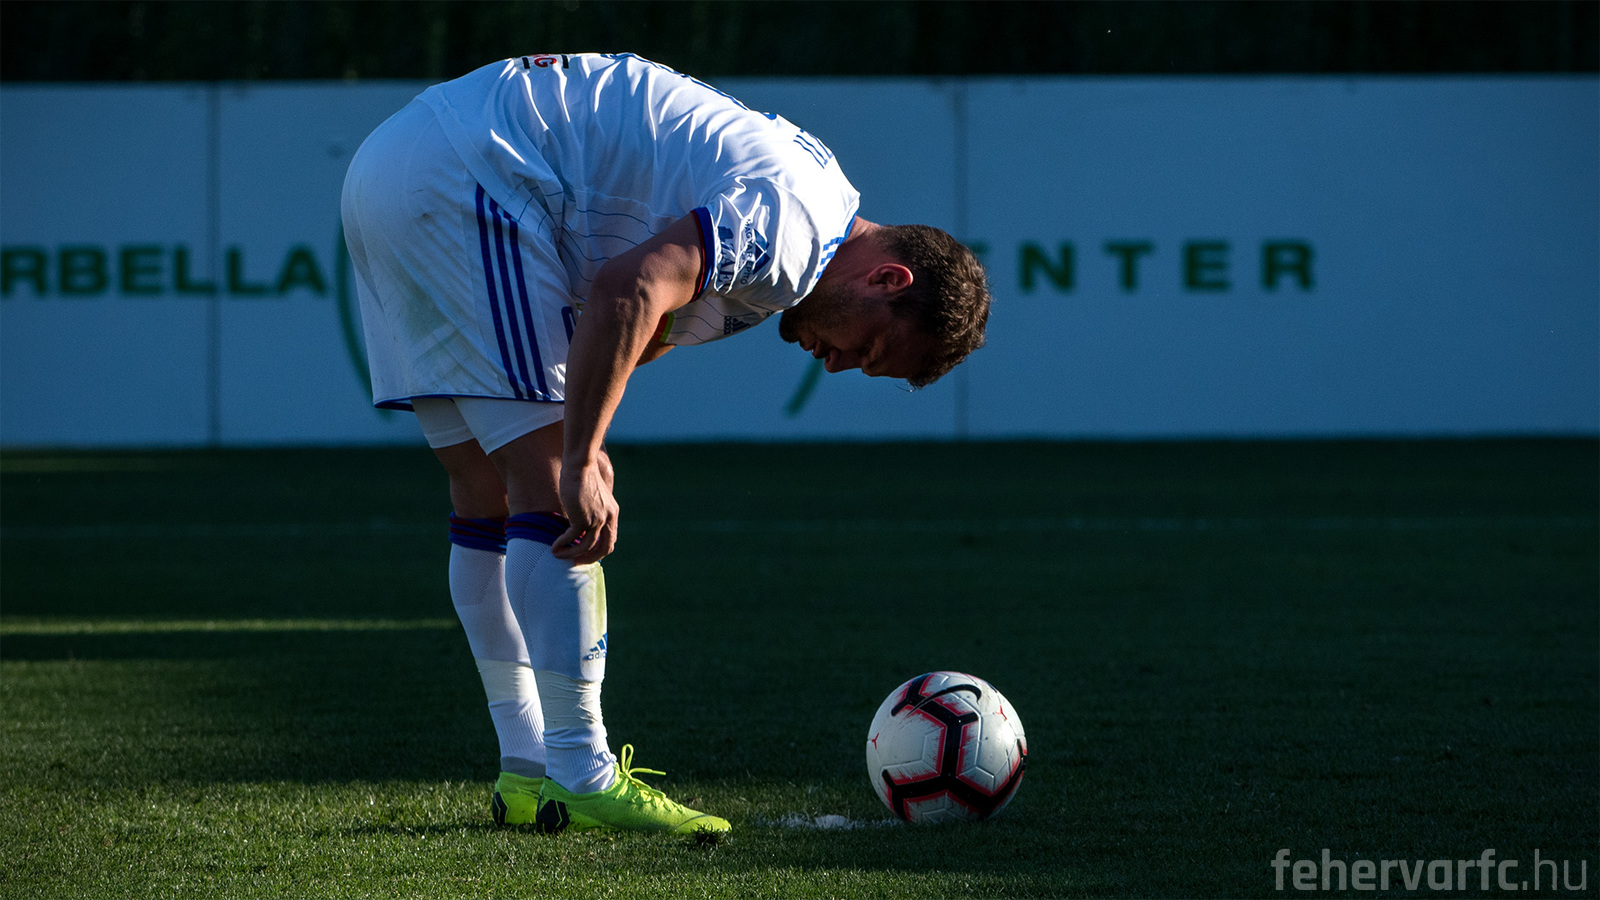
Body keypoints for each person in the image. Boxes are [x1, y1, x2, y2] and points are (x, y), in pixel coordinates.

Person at [341, 52, 990, 835]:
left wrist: (581, 433)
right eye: (870, 350)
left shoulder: (804, 217)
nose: (839, 364)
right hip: (474, 173)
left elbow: (641, 325)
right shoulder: (795, 232)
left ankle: (528, 770)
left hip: (401, 161)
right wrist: (581, 453)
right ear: (888, 280)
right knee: (556, 493)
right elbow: (630, 287)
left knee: (484, 495)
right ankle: (581, 774)